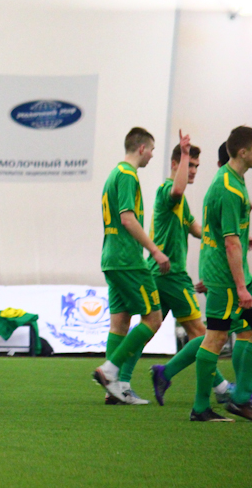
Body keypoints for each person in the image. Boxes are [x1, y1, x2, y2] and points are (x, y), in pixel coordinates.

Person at [149, 140, 240, 405]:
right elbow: (177, 190)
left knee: (148, 327)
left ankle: (116, 376)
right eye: (189, 164)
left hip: (164, 274)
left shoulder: (182, 202)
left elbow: (196, 228)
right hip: (171, 274)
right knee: (203, 334)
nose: (193, 171)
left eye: (196, 166)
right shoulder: (168, 190)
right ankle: (220, 388)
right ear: (175, 164)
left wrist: (230, 237)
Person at [93, 127, 170, 404]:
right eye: (152, 150)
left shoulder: (113, 174)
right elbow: (127, 218)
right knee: (153, 318)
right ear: (141, 148)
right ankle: (110, 371)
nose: (152, 155)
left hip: (111, 259)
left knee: (120, 323)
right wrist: (155, 250)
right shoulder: (127, 175)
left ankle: (114, 390)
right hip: (128, 260)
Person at [191, 126, 252, 421]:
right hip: (227, 277)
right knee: (215, 338)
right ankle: (204, 407)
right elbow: (230, 243)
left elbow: (230, 232)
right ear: (243, 152)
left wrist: (244, 239)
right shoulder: (229, 188)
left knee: (235, 333)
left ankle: (240, 398)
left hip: (229, 272)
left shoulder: (231, 177)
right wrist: (241, 287)